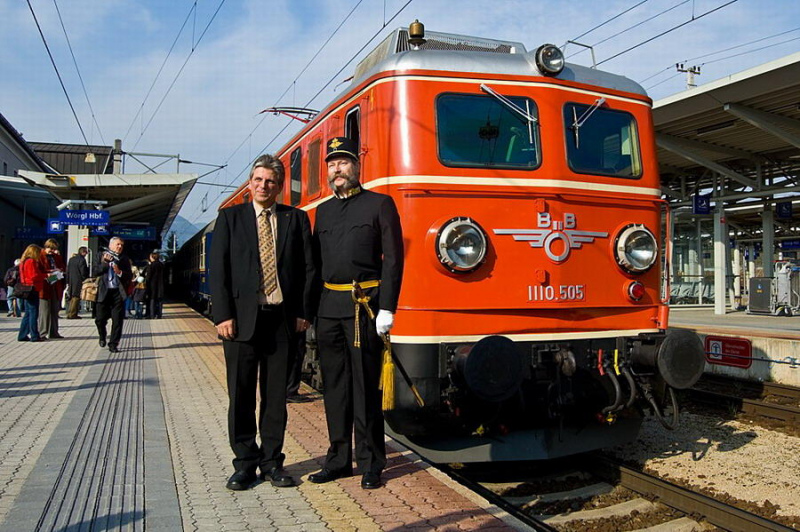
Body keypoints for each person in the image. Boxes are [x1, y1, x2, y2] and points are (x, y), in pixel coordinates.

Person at [210, 154, 315, 491]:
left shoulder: (295, 220)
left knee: (275, 399)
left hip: (281, 322)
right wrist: (222, 314)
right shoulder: (230, 219)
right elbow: (219, 272)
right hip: (240, 323)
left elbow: (308, 270)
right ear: (249, 183)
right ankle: (244, 464)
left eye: (270, 181)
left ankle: (272, 462)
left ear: (279, 186)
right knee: (240, 396)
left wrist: (303, 312)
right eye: (257, 180)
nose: (263, 186)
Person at [309, 137, 404, 490]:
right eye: (332, 164)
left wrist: (388, 307)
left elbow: (394, 259)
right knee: (334, 388)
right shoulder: (324, 211)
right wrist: (311, 310)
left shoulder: (380, 204)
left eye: (343, 162)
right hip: (329, 309)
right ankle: (337, 460)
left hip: (365, 308)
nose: (337, 169)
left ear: (356, 167)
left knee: (365, 389)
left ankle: (370, 463)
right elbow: (317, 265)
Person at [95, 237, 133, 353]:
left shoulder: (124, 259)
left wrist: (120, 272)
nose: (120, 247)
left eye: (122, 245)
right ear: (111, 245)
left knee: (117, 321)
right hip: (104, 292)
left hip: (118, 292)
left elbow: (129, 276)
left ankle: (113, 344)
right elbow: (95, 271)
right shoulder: (100, 255)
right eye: (118, 244)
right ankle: (102, 336)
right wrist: (105, 263)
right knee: (100, 319)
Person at [17, 245, 46, 342]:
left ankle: (22, 335)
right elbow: (34, 276)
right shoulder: (31, 261)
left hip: (25, 288)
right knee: (34, 313)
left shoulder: (23, 261)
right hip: (32, 288)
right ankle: (34, 335)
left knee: (28, 313)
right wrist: (46, 275)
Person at [38, 239, 66, 339]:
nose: (52, 250)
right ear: (46, 247)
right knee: (44, 311)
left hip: (55, 284)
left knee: (54, 310)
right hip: (44, 286)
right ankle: (42, 332)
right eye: (50, 248)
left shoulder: (56, 257)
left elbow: (63, 267)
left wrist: (59, 270)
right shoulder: (40, 256)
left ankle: (54, 332)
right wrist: (50, 271)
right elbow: (39, 270)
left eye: (53, 249)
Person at [65, 246, 89, 319]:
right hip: (78, 281)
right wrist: (85, 279)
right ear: (83, 252)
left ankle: (69, 313)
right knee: (76, 297)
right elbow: (83, 272)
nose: (86, 254)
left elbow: (68, 270)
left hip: (71, 281)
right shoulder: (82, 260)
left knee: (71, 297)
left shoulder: (71, 259)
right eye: (86, 252)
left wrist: (67, 280)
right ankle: (73, 314)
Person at [145, 252, 165, 318]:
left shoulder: (151, 265)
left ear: (152, 257)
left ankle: (152, 314)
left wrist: (146, 282)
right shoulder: (162, 265)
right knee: (159, 300)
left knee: (152, 299)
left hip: (152, 285)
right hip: (160, 284)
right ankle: (159, 314)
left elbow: (148, 276)